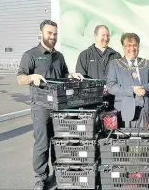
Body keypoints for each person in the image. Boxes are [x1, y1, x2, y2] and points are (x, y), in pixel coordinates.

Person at [17, 20, 83, 190]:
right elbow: (20, 78)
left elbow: (64, 74)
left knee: (60, 141)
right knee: (42, 143)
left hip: (59, 106)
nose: (52, 37)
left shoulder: (59, 56)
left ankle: (58, 173)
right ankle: (40, 178)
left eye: (55, 34)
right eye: (49, 33)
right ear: (41, 33)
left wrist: (71, 75)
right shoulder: (30, 55)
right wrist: (32, 77)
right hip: (41, 107)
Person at [106, 33, 149, 128]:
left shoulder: (147, 63)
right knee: (124, 140)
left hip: (144, 109)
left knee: (144, 140)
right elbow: (111, 87)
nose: (132, 49)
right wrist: (132, 90)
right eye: (128, 46)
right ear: (123, 47)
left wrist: (144, 88)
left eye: (135, 45)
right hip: (123, 110)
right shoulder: (114, 64)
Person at [75, 25, 121, 110]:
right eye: (103, 35)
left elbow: (121, 78)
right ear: (95, 36)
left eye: (108, 35)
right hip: (91, 104)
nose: (106, 38)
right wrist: (97, 90)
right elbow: (80, 80)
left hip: (113, 103)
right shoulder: (85, 55)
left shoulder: (116, 56)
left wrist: (111, 88)